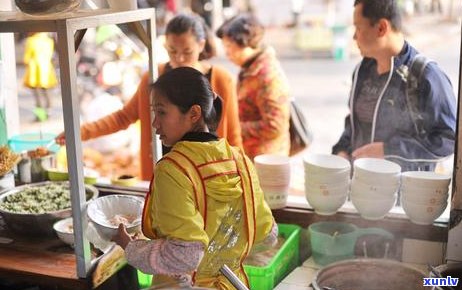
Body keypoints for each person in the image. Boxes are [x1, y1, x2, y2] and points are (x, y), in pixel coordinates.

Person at [112, 67, 277, 289]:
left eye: (161, 112)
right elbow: (267, 235)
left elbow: (185, 256)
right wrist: (220, 252)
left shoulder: (173, 169)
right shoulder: (240, 159)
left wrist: (131, 248)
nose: (154, 124)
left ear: (194, 114)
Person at [56, 13, 242, 181]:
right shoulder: (153, 77)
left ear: (201, 45)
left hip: (207, 175)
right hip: (162, 171)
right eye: (172, 51)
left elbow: (233, 136)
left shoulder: (222, 80)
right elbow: (123, 117)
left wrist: (239, 176)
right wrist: (78, 132)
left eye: (187, 51)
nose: (179, 58)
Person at [332, 0, 456, 171]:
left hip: (406, 194)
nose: (354, 37)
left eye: (358, 28)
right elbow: (354, 124)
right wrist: (342, 151)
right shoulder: (362, 70)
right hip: (361, 188)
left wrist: (389, 150)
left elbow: (449, 140)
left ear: (382, 28)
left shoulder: (426, 76)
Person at [216, 13, 291, 160]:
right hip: (252, 156)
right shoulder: (248, 68)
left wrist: (235, 126)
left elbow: (275, 126)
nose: (226, 53)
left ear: (247, 44)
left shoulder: (268, 75)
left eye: (229, 46)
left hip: (267, 161)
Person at [22, 32, 58, 114]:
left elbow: (26, 59)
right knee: (47, 92)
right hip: (47, 70)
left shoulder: (30, 41)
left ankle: (40, 115)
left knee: (37, 95)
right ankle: (48, 111)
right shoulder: (49, 41)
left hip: (34, 72)